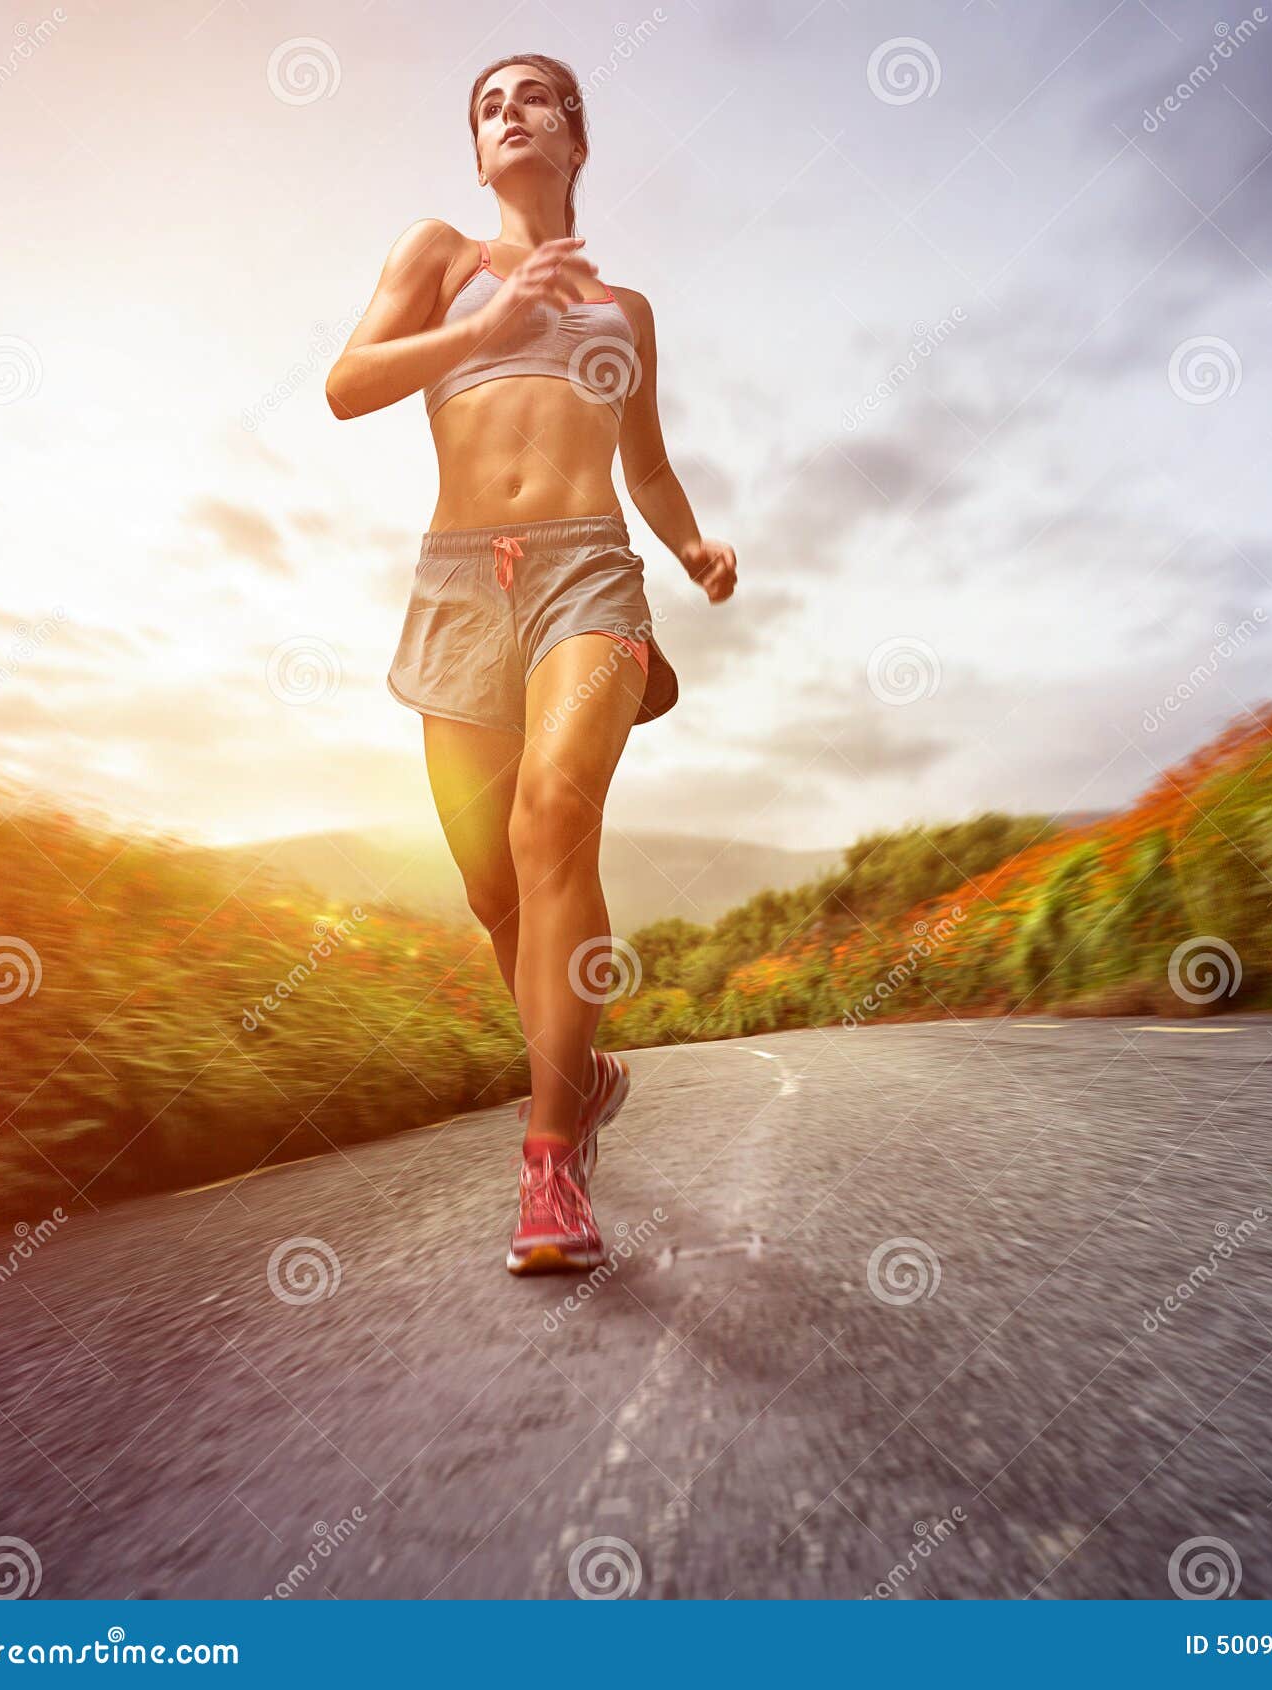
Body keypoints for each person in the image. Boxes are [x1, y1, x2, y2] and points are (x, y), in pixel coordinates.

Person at [325, 52, 737, 1274]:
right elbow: (347, 387)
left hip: (590, 573)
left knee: (552, 817)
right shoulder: (438, 255)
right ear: (479, 147)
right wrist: (484, 326)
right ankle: (586, 1070)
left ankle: (550, 1158)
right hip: (458, 582)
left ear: (575, 136)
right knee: (493, 891)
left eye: (532, 99)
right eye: (488, 106)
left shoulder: (627, 312)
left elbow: (646, 464)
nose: (510, 115)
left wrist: (692, 543)